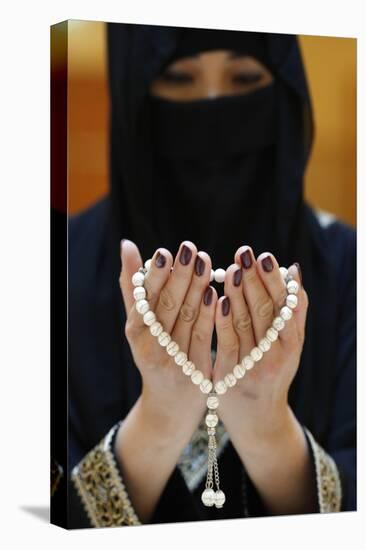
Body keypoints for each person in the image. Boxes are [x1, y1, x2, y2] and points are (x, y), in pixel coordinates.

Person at [53, 24, 356, 528]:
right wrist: (159, 420)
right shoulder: (54, 268)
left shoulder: (349, 269)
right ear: (133, 92)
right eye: (177, 79)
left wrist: (269, 432)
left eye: (243, 78)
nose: (213, 108)